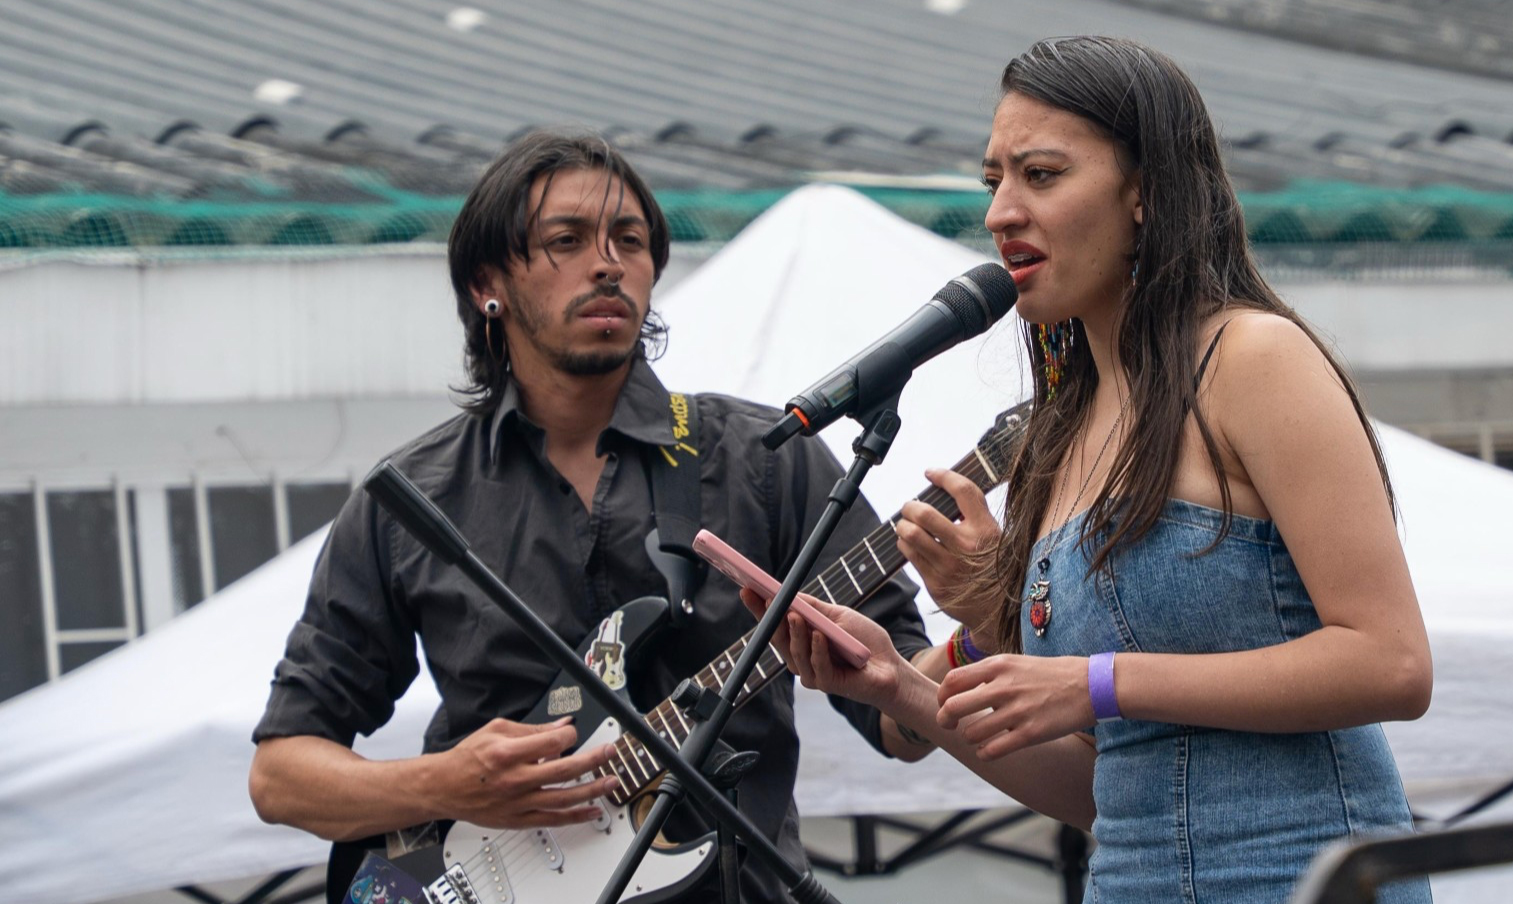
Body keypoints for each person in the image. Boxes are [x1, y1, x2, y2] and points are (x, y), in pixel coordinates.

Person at [750, 36, 1435, 904]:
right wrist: (901, 690)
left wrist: (1098, 682)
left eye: (1040, 175)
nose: (1001, 212)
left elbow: (1391, 663)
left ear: (1145, 191)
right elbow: (1100, 793)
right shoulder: (1054, 437)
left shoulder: (1252, 360)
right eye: (993, 181)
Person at [246, 129, 939, 904]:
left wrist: (978, 628)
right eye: (567, 240)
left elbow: (906, 725)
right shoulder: (413, 500)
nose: (607, 263)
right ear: (487, 285)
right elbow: (281, 776)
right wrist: (446, 784)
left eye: (629, 240)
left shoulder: (769, 459)